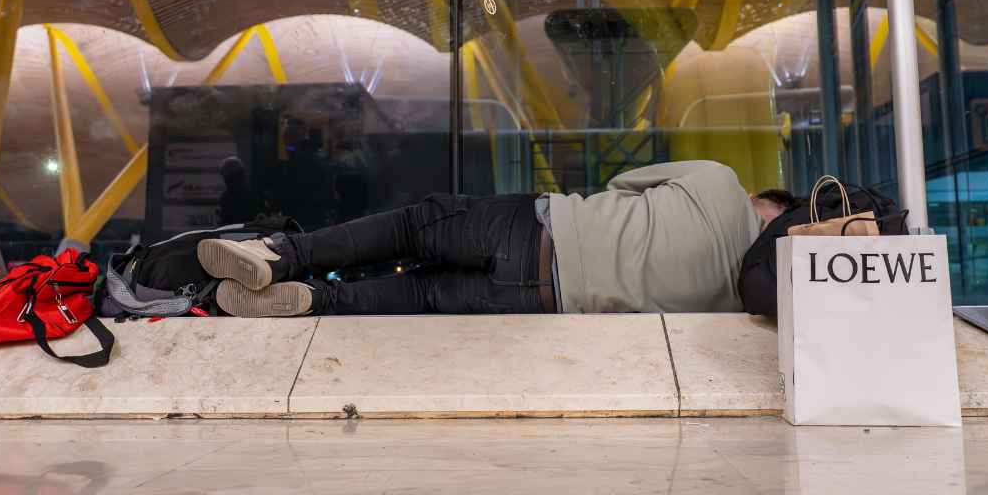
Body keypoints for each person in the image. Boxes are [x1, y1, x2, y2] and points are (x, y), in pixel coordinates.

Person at [198, 160, 793, 317]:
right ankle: (314, 300)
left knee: (410, 228)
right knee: (424, 295)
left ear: (764, 205)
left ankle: (282, 256)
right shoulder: (739, 298)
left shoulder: (719, 182)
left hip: (537, 228)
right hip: (541, 302)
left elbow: (623, 183)